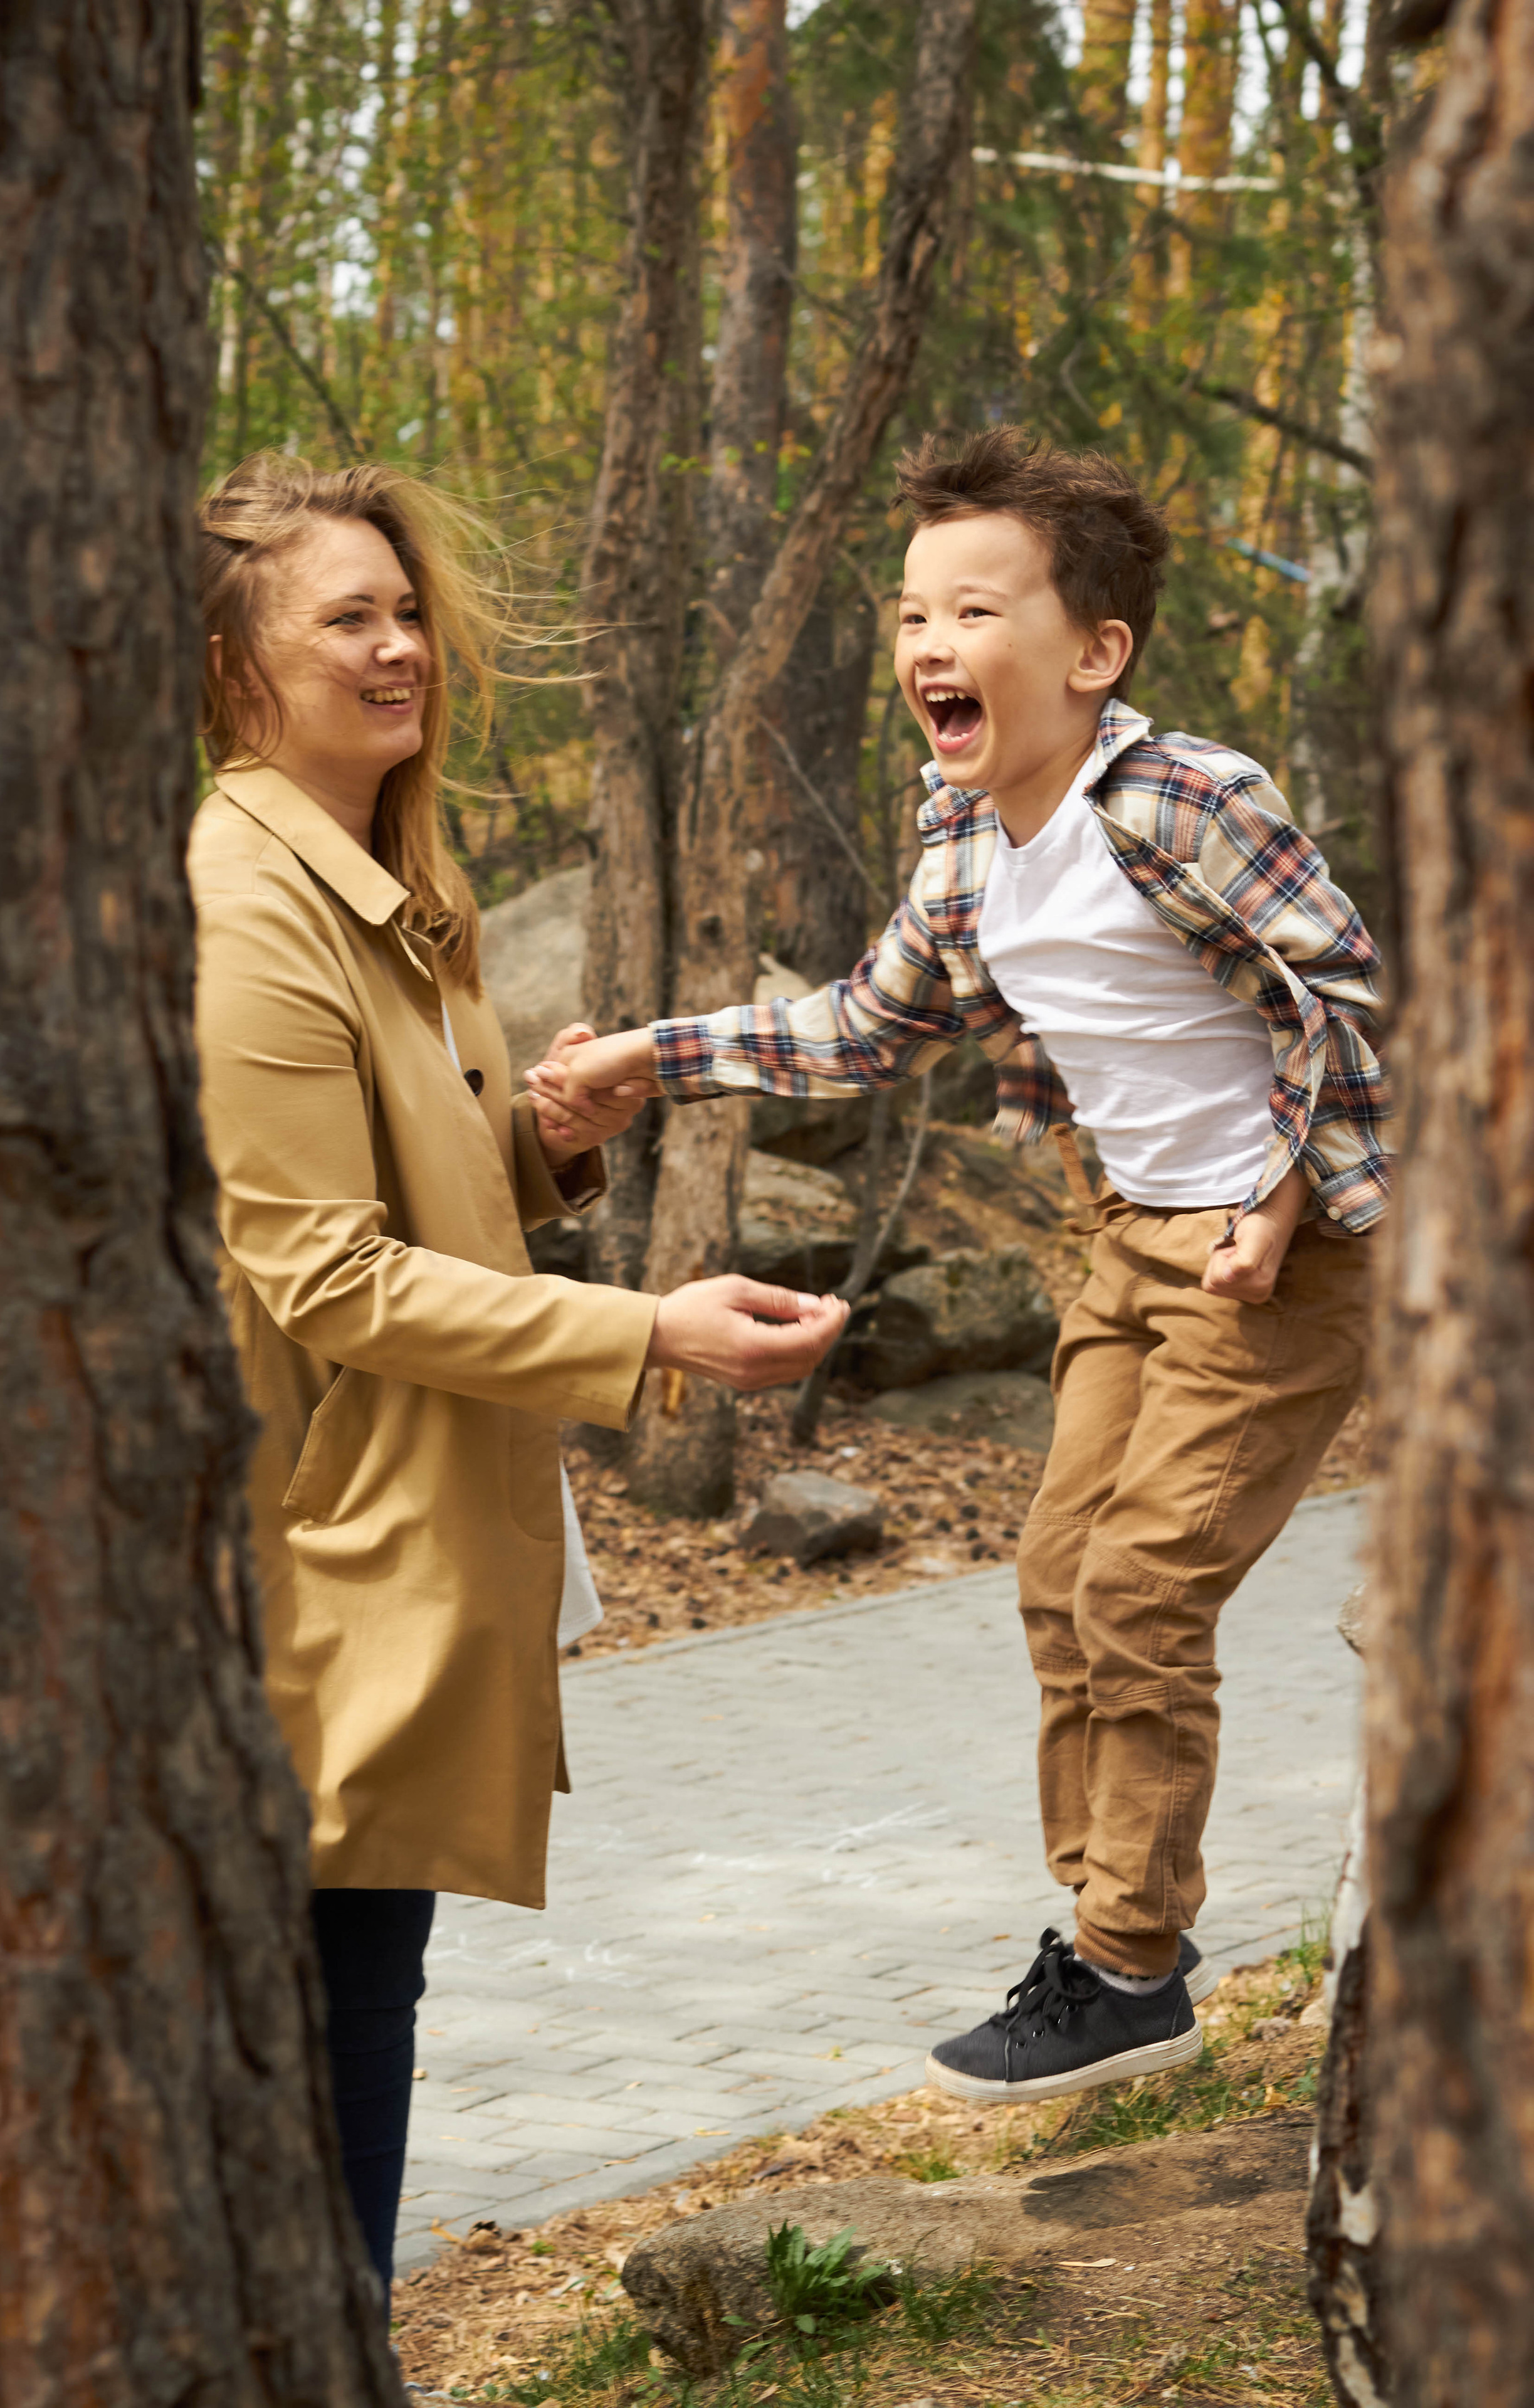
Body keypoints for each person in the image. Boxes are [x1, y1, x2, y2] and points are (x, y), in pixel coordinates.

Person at [530, 426, 1389, 2105]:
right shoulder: (964, 832)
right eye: (913, 613)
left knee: (1143, 1592)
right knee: (1060, 1575)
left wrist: (1285, 1201)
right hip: (1123, 1241)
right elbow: (865, 1031)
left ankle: (1131, 1957)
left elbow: (1346, 999)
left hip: (1272, 1260)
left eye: (972, 610)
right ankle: (1108, 1937)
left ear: (1093, 651)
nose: (928, 644)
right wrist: (649, 1053)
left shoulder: (1185, 802)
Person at [188, 452, 847, 2296]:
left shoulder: (390, 881)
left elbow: (411, 1200)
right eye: (351, 619)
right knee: (326, 2005)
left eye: (409, 614)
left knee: (359, 1989)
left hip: (399, 1540)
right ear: (237, 663)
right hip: (318, 1562)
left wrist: (547, 1143)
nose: (401, 648)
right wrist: (650, 1334)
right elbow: (321, 1271)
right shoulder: (244, 901)